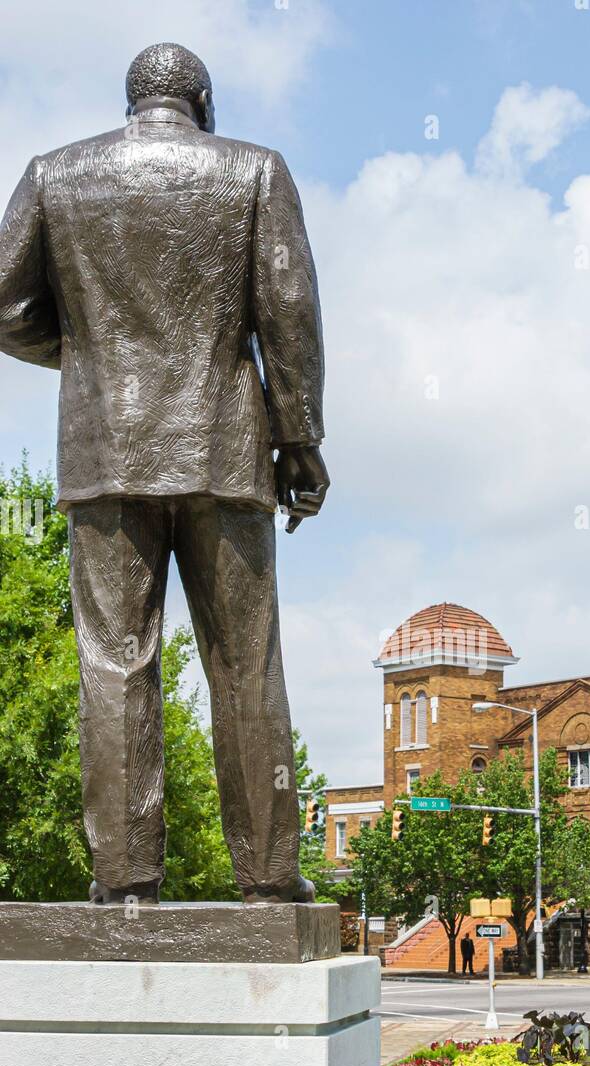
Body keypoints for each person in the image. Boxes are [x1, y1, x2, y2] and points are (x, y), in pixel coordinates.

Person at [0, 43, 329, 905]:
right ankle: (266, 879)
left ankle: (125, 881)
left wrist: (89, 362)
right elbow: (288, 311)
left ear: (132, 103)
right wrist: (299, 441)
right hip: (225, 451)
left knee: (113, 662)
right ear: (203, 103)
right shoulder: (256, 171)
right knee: (246, 665)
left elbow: (5, 305)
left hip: (105, 454)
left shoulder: (54, 174)